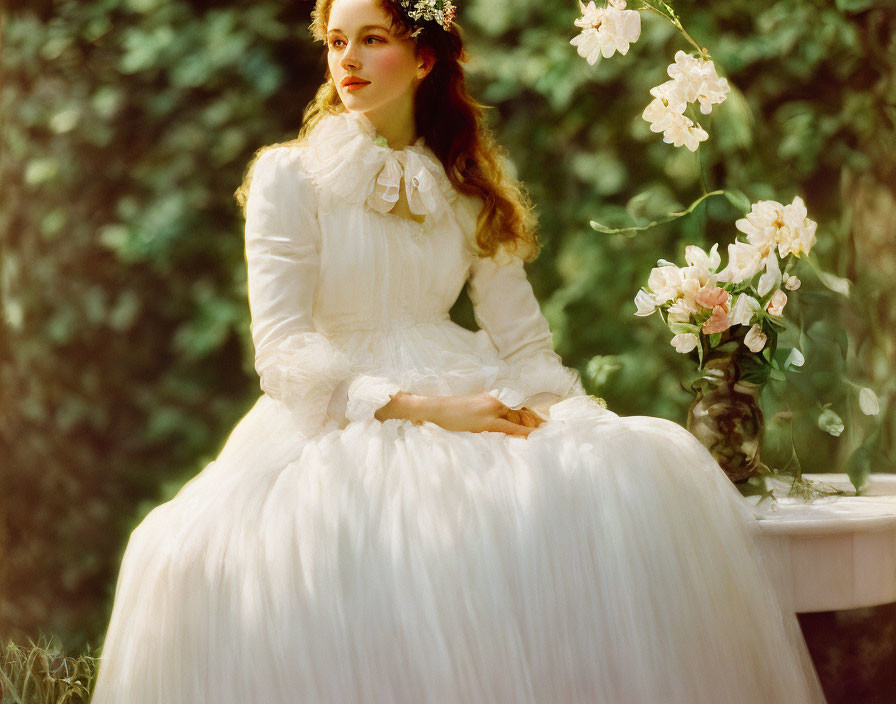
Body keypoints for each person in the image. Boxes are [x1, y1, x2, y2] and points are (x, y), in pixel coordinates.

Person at [90, 0, 828, 702]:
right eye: (336, 41)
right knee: (318, 548)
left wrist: (571, 419)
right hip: (338, 410)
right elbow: (284, 349)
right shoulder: (292, 176)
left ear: (424, 58)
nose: (348, 59)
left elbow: (523, 337)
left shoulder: (471, 183)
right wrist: (433, 411)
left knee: (619, 474)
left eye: (373, 38)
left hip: (469, 375)